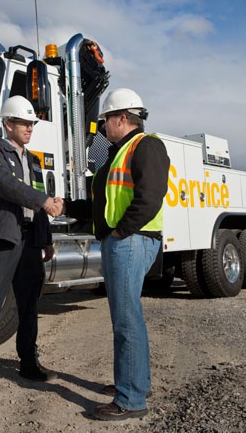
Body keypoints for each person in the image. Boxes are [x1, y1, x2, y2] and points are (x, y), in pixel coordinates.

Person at [64, 88, 170, 420]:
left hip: (131, 240)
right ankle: (136, 383)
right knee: (128, 317)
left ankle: (131, 399)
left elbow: (151, 196)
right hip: (125, 239)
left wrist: (120, 232)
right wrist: (65, 206)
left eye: (105, 120)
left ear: (122, 118)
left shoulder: (145, 145)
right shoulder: (117, 152)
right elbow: (102, 203)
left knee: (126, 320)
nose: (101, 127)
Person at [0, 96, 62, 388]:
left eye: (32, 123)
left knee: (29, 304)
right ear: (8, 124)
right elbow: (8, 186)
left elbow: (39, 200)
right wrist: (44, 201)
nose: (30, 128)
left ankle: (29, 363)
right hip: (3, 236)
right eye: (24, 123)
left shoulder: (34, 160)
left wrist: (46, 239)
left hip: (30, 238)